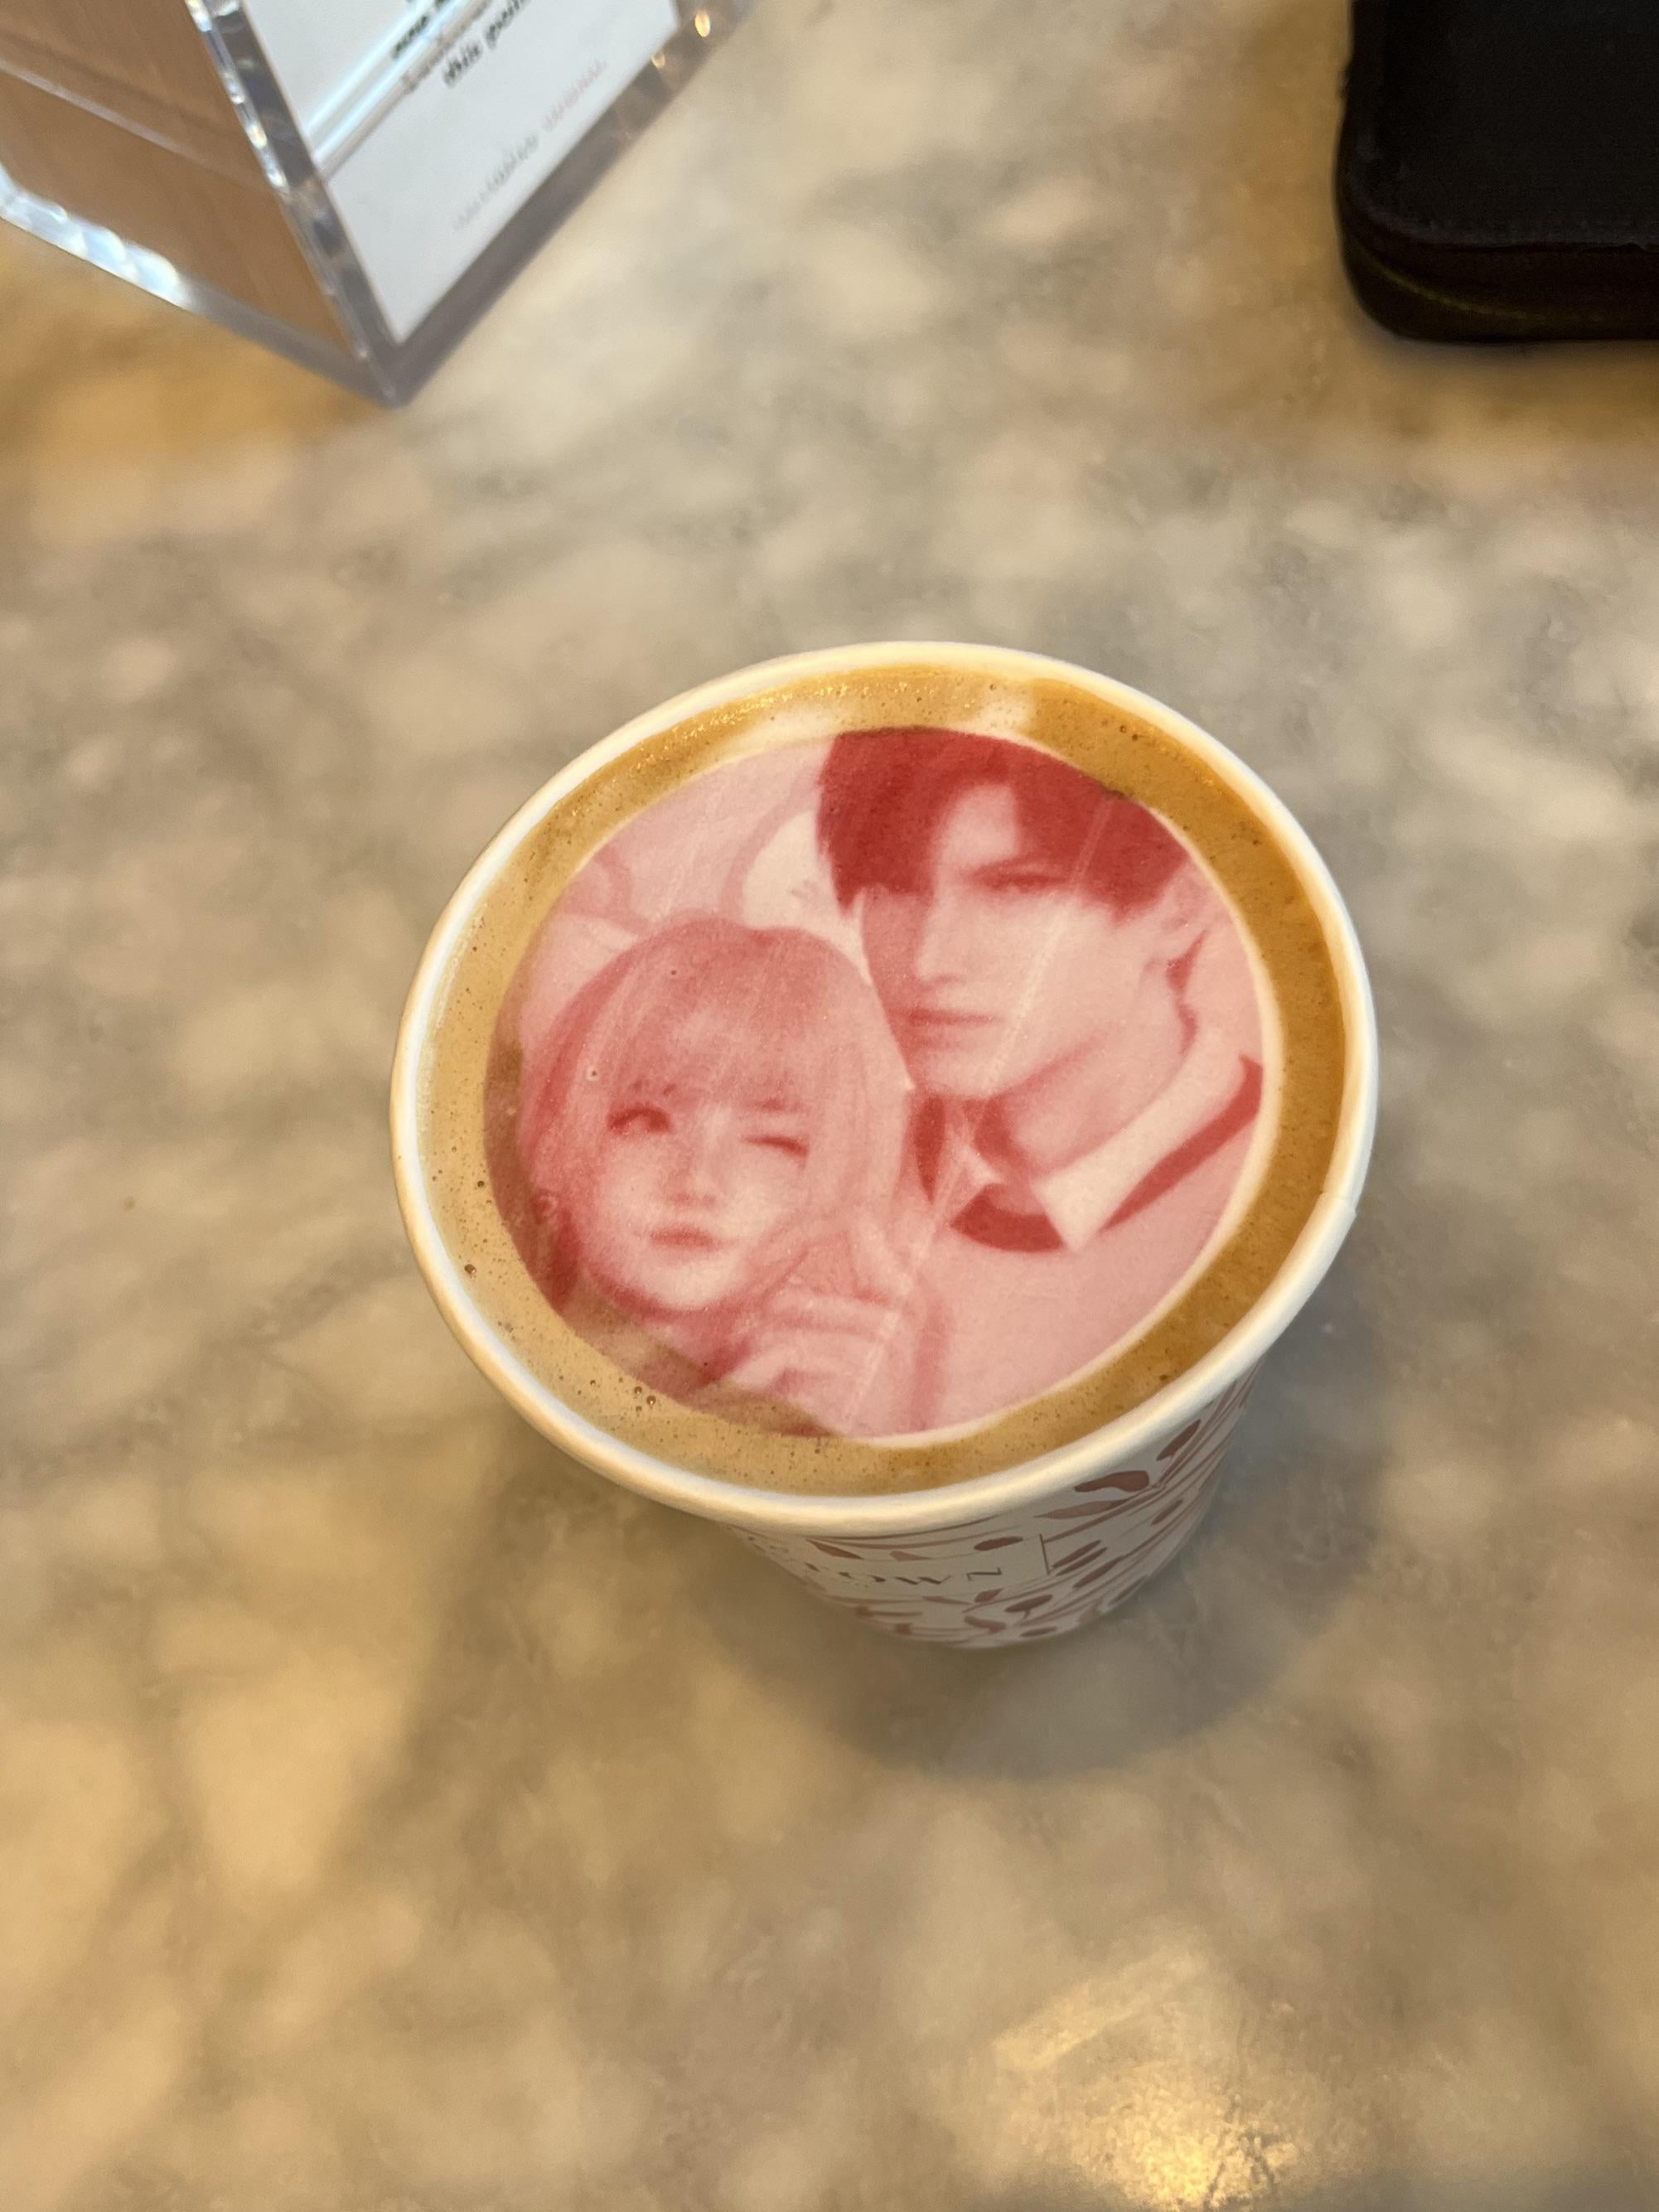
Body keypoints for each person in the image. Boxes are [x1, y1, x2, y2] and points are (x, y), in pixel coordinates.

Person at [815, 728, 1265, 1425]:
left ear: (1177, 908)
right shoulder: (817, 1167)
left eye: (1016, 886)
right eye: (894, 886)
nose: (929, 960)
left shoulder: (1277, 1168)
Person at [510, 914, 936, 1438]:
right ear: (557, 1142)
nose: (698, 1182)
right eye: (646, 1122)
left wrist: (876, 1452)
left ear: (844, 1174)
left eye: (773, 1142)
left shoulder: (844, 1402)